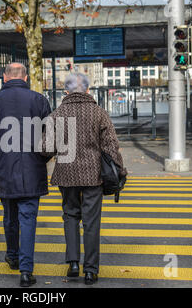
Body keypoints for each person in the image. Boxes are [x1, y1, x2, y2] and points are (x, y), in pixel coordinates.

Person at [41, 73, 126, 285]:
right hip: (93, 175)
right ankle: (90, 270)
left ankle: (73, 264)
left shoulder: (57, 114)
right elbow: (111, 147)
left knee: (70, 215)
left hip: (66, 174)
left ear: (66, 92)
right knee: (91, 221)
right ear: (88, 90)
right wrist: (121, 172)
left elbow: (46, 149)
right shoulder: (99, 113)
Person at [0, 63, 51, 287]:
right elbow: (50, 137)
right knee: (28, 219)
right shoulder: (39, 100)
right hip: (33, 169)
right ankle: (26, 272)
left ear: (4, 78)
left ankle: (13, 256)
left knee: (10, 216)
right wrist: (41, 159)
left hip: (4, 168)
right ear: (26, 77)